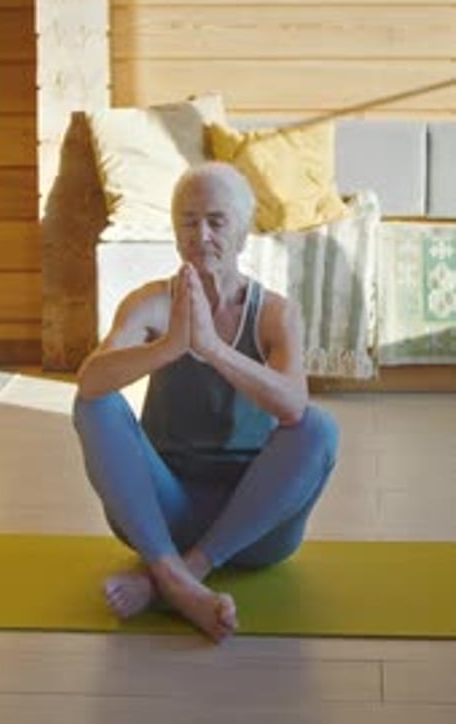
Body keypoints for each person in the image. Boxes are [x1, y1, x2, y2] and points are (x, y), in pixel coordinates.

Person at [73, 162, 339, 642]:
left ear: (242, 234)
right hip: (162, 514)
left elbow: (293, 407)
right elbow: (90, 381)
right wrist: (169, 347)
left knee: (319, 429)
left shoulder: (276, 314)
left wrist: (212, 351)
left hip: (257, 524)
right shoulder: (151, 304)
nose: (202, 234)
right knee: (94, 404)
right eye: (188, 221)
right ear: (176, 233)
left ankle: (178, 576)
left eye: (217, 221)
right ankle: (174, 573)